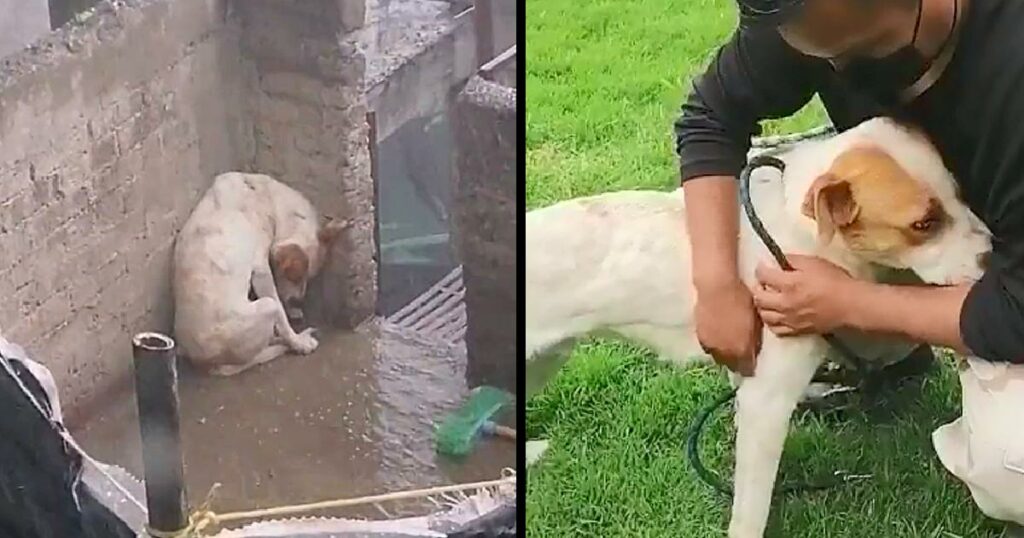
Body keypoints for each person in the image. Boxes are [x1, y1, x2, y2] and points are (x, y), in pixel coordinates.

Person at [675, 0, 1024, 532]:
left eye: (857, 53)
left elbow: (1019, 313)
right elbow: (709, 117)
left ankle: (970, 416)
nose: (836, 73)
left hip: (1009, 268)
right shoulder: (810, 23)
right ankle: (892, 351)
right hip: (965, 234)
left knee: (1013, 468)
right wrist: (716, 283)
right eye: (822, 56)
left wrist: (850, 303)